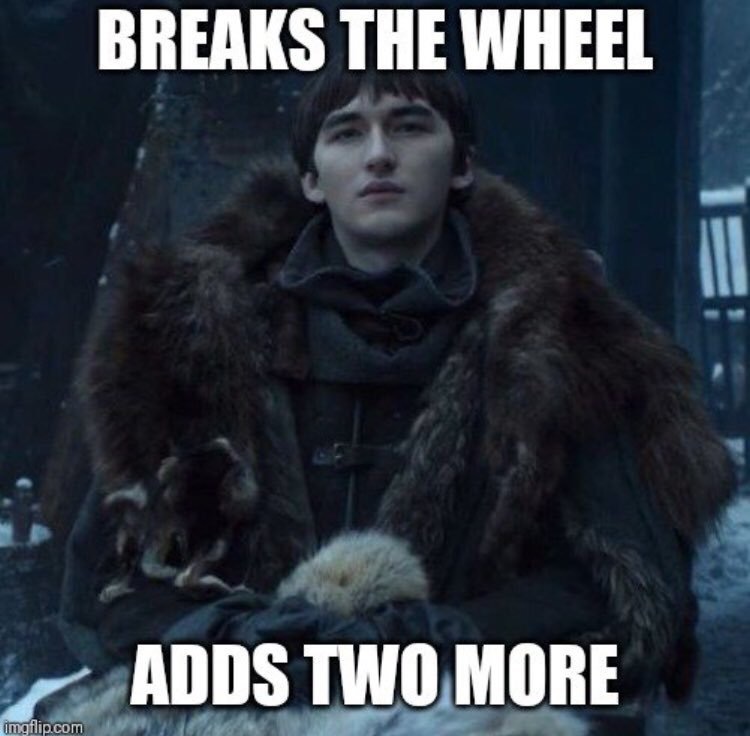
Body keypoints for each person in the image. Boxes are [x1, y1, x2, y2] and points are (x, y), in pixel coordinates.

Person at [58, 62, 734, 730]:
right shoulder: (195, 338)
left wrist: (434, 640)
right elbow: (108, 587)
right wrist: (239, 640)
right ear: (311, 178)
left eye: (409, 127)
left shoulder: (561, 339)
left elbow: (627, 594)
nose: (379, 155)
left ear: (461, 165)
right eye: (347, 133)